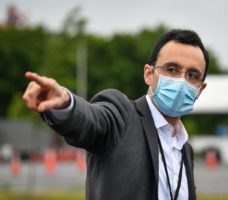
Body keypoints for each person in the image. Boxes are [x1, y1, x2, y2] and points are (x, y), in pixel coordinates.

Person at [23, 29, 209, 200]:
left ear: (200, 90)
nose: (181, 81)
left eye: (192, 75)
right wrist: (65, 103)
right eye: (171, 70)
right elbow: (91, 120)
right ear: (149, 74)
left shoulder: (185, 150)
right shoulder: (121, 116)